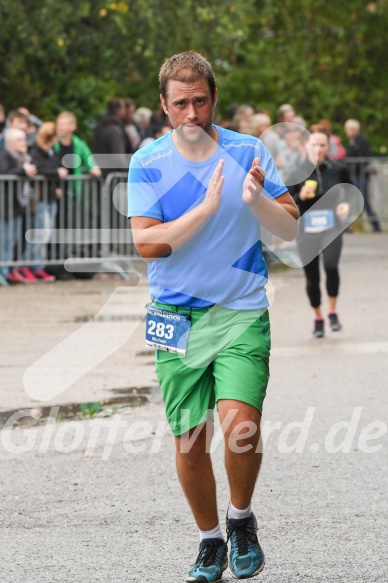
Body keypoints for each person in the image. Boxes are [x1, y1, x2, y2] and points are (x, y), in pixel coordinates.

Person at [128, 51, 298, 582]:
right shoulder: (148, 162)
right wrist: (202, 210)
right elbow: (148, 244)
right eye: (181, 103)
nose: (192, 113)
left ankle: (241, 521)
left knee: (241, 425)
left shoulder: (248, 150)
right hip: (175, 315)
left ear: (214, 98)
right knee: (189, 437)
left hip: (241, 311)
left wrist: (256, 202)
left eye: (200, 100)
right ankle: (209, 541)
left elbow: (290, 227)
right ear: (164, 105)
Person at [288, 125, 353, 337]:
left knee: (331, 266)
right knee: (312, 276)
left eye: (322, 145)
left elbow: (352, 192)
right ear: (306, 146)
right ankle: (318, 317)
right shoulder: (296, 172)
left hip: (332, 227)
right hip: (306, 231)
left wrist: (347, 206)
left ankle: (333, 312)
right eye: (314, 144)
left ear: (328, 147)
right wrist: (300, 197)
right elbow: (286, 203)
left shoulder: (337, 169)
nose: (318, 148)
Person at [29, 122, 69, 282]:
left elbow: (56, 167)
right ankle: (35, 266)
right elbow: (39, 170)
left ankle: (39, 266)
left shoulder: (53, 151)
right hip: (40, 198)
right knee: (41, 234)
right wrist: (56, 173)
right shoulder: (36, 152)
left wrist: (58, 185)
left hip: (51, 197)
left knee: (46, 233)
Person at [0, 128, 37, 283]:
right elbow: (3, 172)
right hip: (5, 206)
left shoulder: (24, 158)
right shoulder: (4, 156)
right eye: (20, 140)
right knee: (5, 241)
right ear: (10, 143)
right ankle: (3, 272)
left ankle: (8, 271)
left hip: (18, 205)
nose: (24, 143)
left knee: (13, 240)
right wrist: (23, 170)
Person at [344, 119, 381, 232]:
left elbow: (365, 157)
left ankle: (376, 224)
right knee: (351, 199)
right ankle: (346, 226)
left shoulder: (360, 141)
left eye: (350, 129)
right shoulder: (352, 141)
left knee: (362, 200)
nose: (348, 131)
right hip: (354, 175)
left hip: (360, 175)